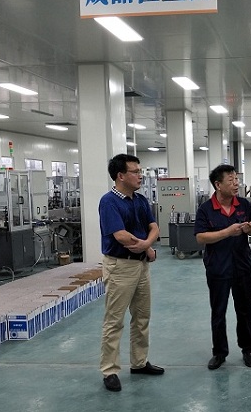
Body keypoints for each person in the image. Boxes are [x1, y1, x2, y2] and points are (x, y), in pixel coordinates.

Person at [98, 153, 164, 392]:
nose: (140, 175)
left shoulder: (140, 200)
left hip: (141, 265)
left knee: (142, 316)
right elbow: (121, 236)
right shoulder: (109, 202)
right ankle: (110, 370)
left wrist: (146, 245)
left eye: (140, 171)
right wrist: (147, 246)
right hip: (120, 266)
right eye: (135, 172)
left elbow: (154, 227)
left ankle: (139, 362)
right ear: (120, 176)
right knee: (114, 320)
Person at [194, 164, 251, 370]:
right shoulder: (206, 209)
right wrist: (226, 232)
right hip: (218, 268)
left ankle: (248, 349)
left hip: (241, 267)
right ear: (218, 185)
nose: (236, 184)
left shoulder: (244, 204)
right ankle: (219, 353)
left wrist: (250, 230)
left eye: (237, 179)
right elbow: (200, 237)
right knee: (218, 311)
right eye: (231, 180)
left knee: (244, 310)